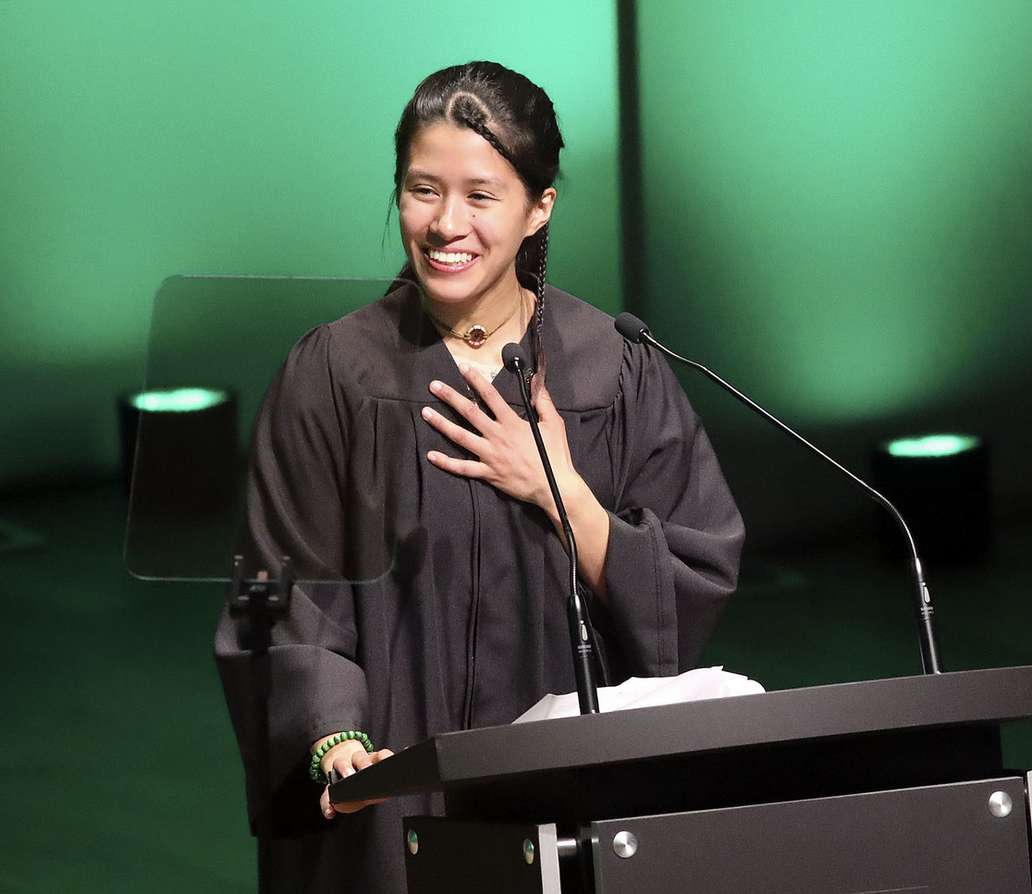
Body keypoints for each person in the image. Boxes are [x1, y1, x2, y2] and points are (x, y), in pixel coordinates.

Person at [215, 61, 744, 893]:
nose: (444, 223)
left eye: (480, 195)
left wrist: (561, 491)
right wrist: (331, 737)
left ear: (539, 208)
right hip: (387, 803)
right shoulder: (335, 374)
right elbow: (284, 589)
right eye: (422, 189)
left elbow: (695, 576)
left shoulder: (615, 372)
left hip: (571, 801)